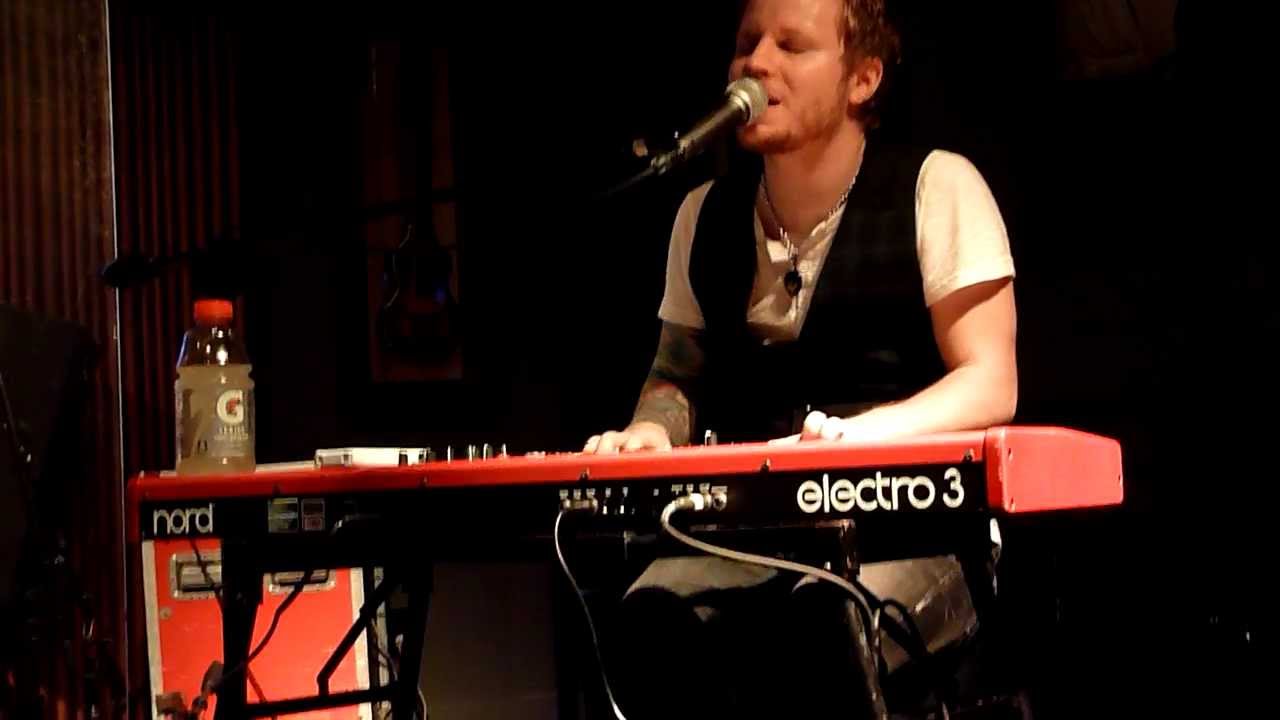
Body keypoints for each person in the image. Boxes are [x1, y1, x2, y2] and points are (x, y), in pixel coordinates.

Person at [583, 0, 1017, 716]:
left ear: (863, 79)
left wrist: (860, 435)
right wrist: (653, 429)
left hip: (913, 533)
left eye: (792, 45)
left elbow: (991, 381)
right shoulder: (704, 215)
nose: (755, 64)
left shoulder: (937, 188)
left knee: (822, 625)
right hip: (756, 534)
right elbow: (676, 375)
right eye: (748, 43)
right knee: (651, 620)